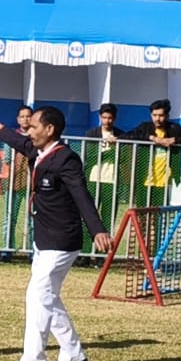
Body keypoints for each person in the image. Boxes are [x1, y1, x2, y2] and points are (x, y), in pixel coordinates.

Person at [0, 106, 113, 361]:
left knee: (37, 295)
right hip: (43, 239)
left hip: (62, 241)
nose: (28, 131)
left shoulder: (66, 159)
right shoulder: (37, 151)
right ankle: (73, 355)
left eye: (33, 126)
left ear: (49, 129)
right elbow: (20, 142)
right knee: (47, 297)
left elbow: (81, 194)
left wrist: (98, 229)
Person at [123, 98, 181, 207]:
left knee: (159, 213)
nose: (157, 119)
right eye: (154, 115)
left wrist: (175, 140)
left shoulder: (173, 128)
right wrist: (151, 138)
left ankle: (156, 224)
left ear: (167, 116)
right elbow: (126, 136)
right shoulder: (145, 127)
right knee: (141, 212)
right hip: (144, 179)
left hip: (162, 181)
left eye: (161, 115)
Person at [81, 102, 125, 256]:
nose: (107, 121)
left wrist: (117, 144)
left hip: (111, 180)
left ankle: (102, 254)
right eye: (104, 117)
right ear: (100, 117)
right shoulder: (91, 134)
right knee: (89, 215)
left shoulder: (121, 135)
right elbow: (90, 157)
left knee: (108, 217)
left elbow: (124, 158)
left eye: (110, 118)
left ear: (115, 118)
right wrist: (110, 150)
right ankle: (85, 253)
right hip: (93, 179)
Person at [0, 105, 33, 260]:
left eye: (28, 116)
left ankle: (33, 251)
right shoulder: (13, 136)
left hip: (33, 184)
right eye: (22, 116)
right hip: (14, 182)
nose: (25, 119)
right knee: (9, 217)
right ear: (18, 119)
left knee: (33, 219)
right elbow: (7, 158)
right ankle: (7, 249)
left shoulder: (36, 136)